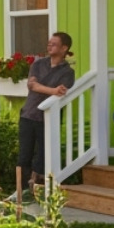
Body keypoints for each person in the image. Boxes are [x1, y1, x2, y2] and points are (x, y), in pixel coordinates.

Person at [15, 31, 75, 195]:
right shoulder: (38, 64)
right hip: (29, 114)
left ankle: (38, 189)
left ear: (64, 48)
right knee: (24, 154)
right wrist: (52, 90)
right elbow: (32, 85)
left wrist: (45, 88)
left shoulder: (67, 72)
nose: (49, 46)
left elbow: (61, 92)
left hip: (48, 119)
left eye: (54, 44)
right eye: (49, 43)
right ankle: (20, 189)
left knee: (43, 156)